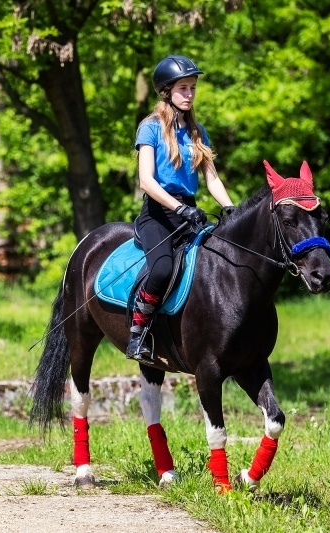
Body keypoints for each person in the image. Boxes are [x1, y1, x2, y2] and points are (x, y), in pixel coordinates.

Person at [127, 55, 235, 362]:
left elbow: (211, 178)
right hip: (159, 214)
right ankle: (138, 333)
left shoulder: (197, 131)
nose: (189, 93)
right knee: (161, 269)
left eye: (192, 88)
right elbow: (146, 181)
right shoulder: (149, 128)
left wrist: (229, 208)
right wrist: (179, 208)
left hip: (191, 213)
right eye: (183, 88)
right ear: (165, 91)